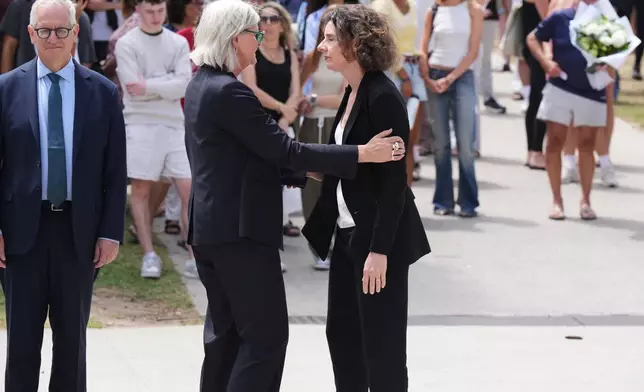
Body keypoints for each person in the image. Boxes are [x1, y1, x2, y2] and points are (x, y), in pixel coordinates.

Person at [184, 0, 406, 390]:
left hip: (214, 230)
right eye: (255, 34)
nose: (261, 40)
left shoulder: (202, 84)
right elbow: (285, 150)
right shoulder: (231, 92)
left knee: (227, 336)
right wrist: (362, 154)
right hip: (241, 235)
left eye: (330, 39)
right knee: (264, 340)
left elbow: (254, 158)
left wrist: (311, 170)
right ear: (236, 39)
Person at [302, 5, 430, 391]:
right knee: (342, 337)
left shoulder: (382, 96)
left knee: (382, 348)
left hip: (376, 241)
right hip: (347, 236)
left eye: (329, 39)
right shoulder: (354, 91)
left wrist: (379, 252)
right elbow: (347, 162)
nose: (322, 47)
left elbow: (395, 184)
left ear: (354, 44)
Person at [0, 0, 127, 389]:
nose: (52, 38)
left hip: (79, 234)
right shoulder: (6, 89)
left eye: (60, 30)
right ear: (30, 33)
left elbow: (114, 169)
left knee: (72, 344)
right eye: (43, 30)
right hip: (21, 236)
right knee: (21, 343)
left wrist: (110, 232)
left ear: (76, 32)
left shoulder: (103, 93)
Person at [114, 0, 196, 279]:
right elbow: (130, 86)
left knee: (189, 189)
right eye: (149, 11)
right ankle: (149, 255)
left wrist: (148, 84)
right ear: (138, 9)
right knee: (141, 190)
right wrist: (166, 83)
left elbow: (183, 84)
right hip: (140, 122)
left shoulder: (177, 43)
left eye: (160, 10)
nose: (155, 16)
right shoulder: (127, 43)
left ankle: (194, 255)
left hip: (174, 123)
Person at [526, 0, 608, 220]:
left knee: (587, 143)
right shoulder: (561, 17)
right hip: (560, 86)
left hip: (592, 90)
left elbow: (618, 54)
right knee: (554, 140)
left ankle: (585, 200)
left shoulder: (607, 22)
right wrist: (545, 61)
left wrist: (608, 62)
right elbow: (533, 37)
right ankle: (557, 201)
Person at [419, 0, 484, 217]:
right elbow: (423, 47)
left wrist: (451, 78)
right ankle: (443, 201)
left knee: (465, 144)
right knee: (441, 144)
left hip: (462, 78)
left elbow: (473, 52)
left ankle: (468, 202)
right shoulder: (434, 10)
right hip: (435, 75)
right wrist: (427, 77)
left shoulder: (473, 10)